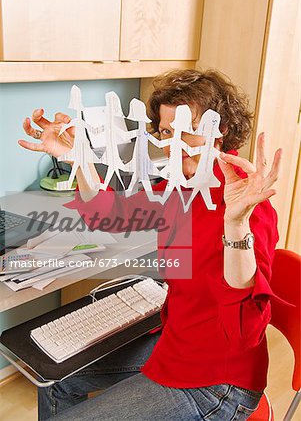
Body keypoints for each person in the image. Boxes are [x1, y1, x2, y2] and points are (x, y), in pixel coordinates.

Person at [19, 69, 288, 421]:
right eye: (165, 132)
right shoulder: (182, 189)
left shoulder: (248, 206)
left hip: (218, 383)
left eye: (185, 131)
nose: (171, 143)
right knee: (54, 380)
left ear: (219, 133)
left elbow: (245, 331)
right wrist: (79, 158)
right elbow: (109, 216)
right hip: (177, 347)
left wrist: (234, 224)